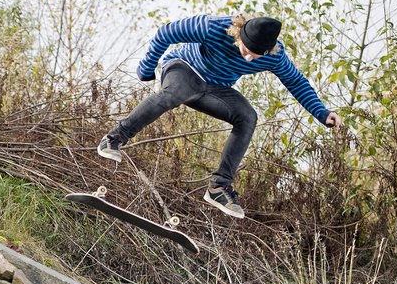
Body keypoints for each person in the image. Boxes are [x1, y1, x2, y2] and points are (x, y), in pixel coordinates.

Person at [96, 13, 342, 218]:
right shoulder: (213, 27)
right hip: (183, 68)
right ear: (239, 35)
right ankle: (115, 137)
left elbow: (296, 82)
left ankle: (219, 186)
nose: (248, 58)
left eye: (255, 56)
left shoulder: (275, 57)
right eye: (245, 50)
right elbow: (166, 32)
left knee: (247, 116)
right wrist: (147, 68)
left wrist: (322, 112)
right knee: (174, 93)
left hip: (214, 89)